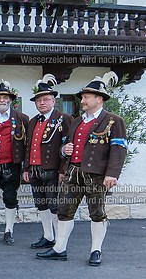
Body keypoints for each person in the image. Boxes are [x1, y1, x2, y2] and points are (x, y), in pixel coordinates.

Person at [36, 72, 127, 266]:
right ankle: (59, 248)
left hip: (97, 175)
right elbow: (67, 146)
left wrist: (112, 173)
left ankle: (96, 250)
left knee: (97, 212)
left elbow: (118, 149)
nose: (83, 100)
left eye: (86, 97)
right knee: (64, 210)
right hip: (72, 172)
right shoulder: (76, 121)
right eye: (82, 97)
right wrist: (63, 155)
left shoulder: (113, 120)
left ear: (99, 99)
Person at [22, 75, 73, 249]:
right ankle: (48, 236)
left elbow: (68, 146)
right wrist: (26, 168)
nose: (42, 103)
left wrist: (62, 171)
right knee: (41, 204)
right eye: (39, 100)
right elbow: (28, 146)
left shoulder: (64, 118)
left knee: (54, 205)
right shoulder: (32, 121)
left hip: (53, 170)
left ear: (53, 101)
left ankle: (60, 240)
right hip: (35, 169)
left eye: (45, 99)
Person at [0, 80, 29, 246]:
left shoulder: (22, 119)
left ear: (10, 100)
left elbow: (28, 145)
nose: (2, 100)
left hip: (12, 164)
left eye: (5, 97)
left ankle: (9, 230)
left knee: (10, 197)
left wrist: (26, 165)